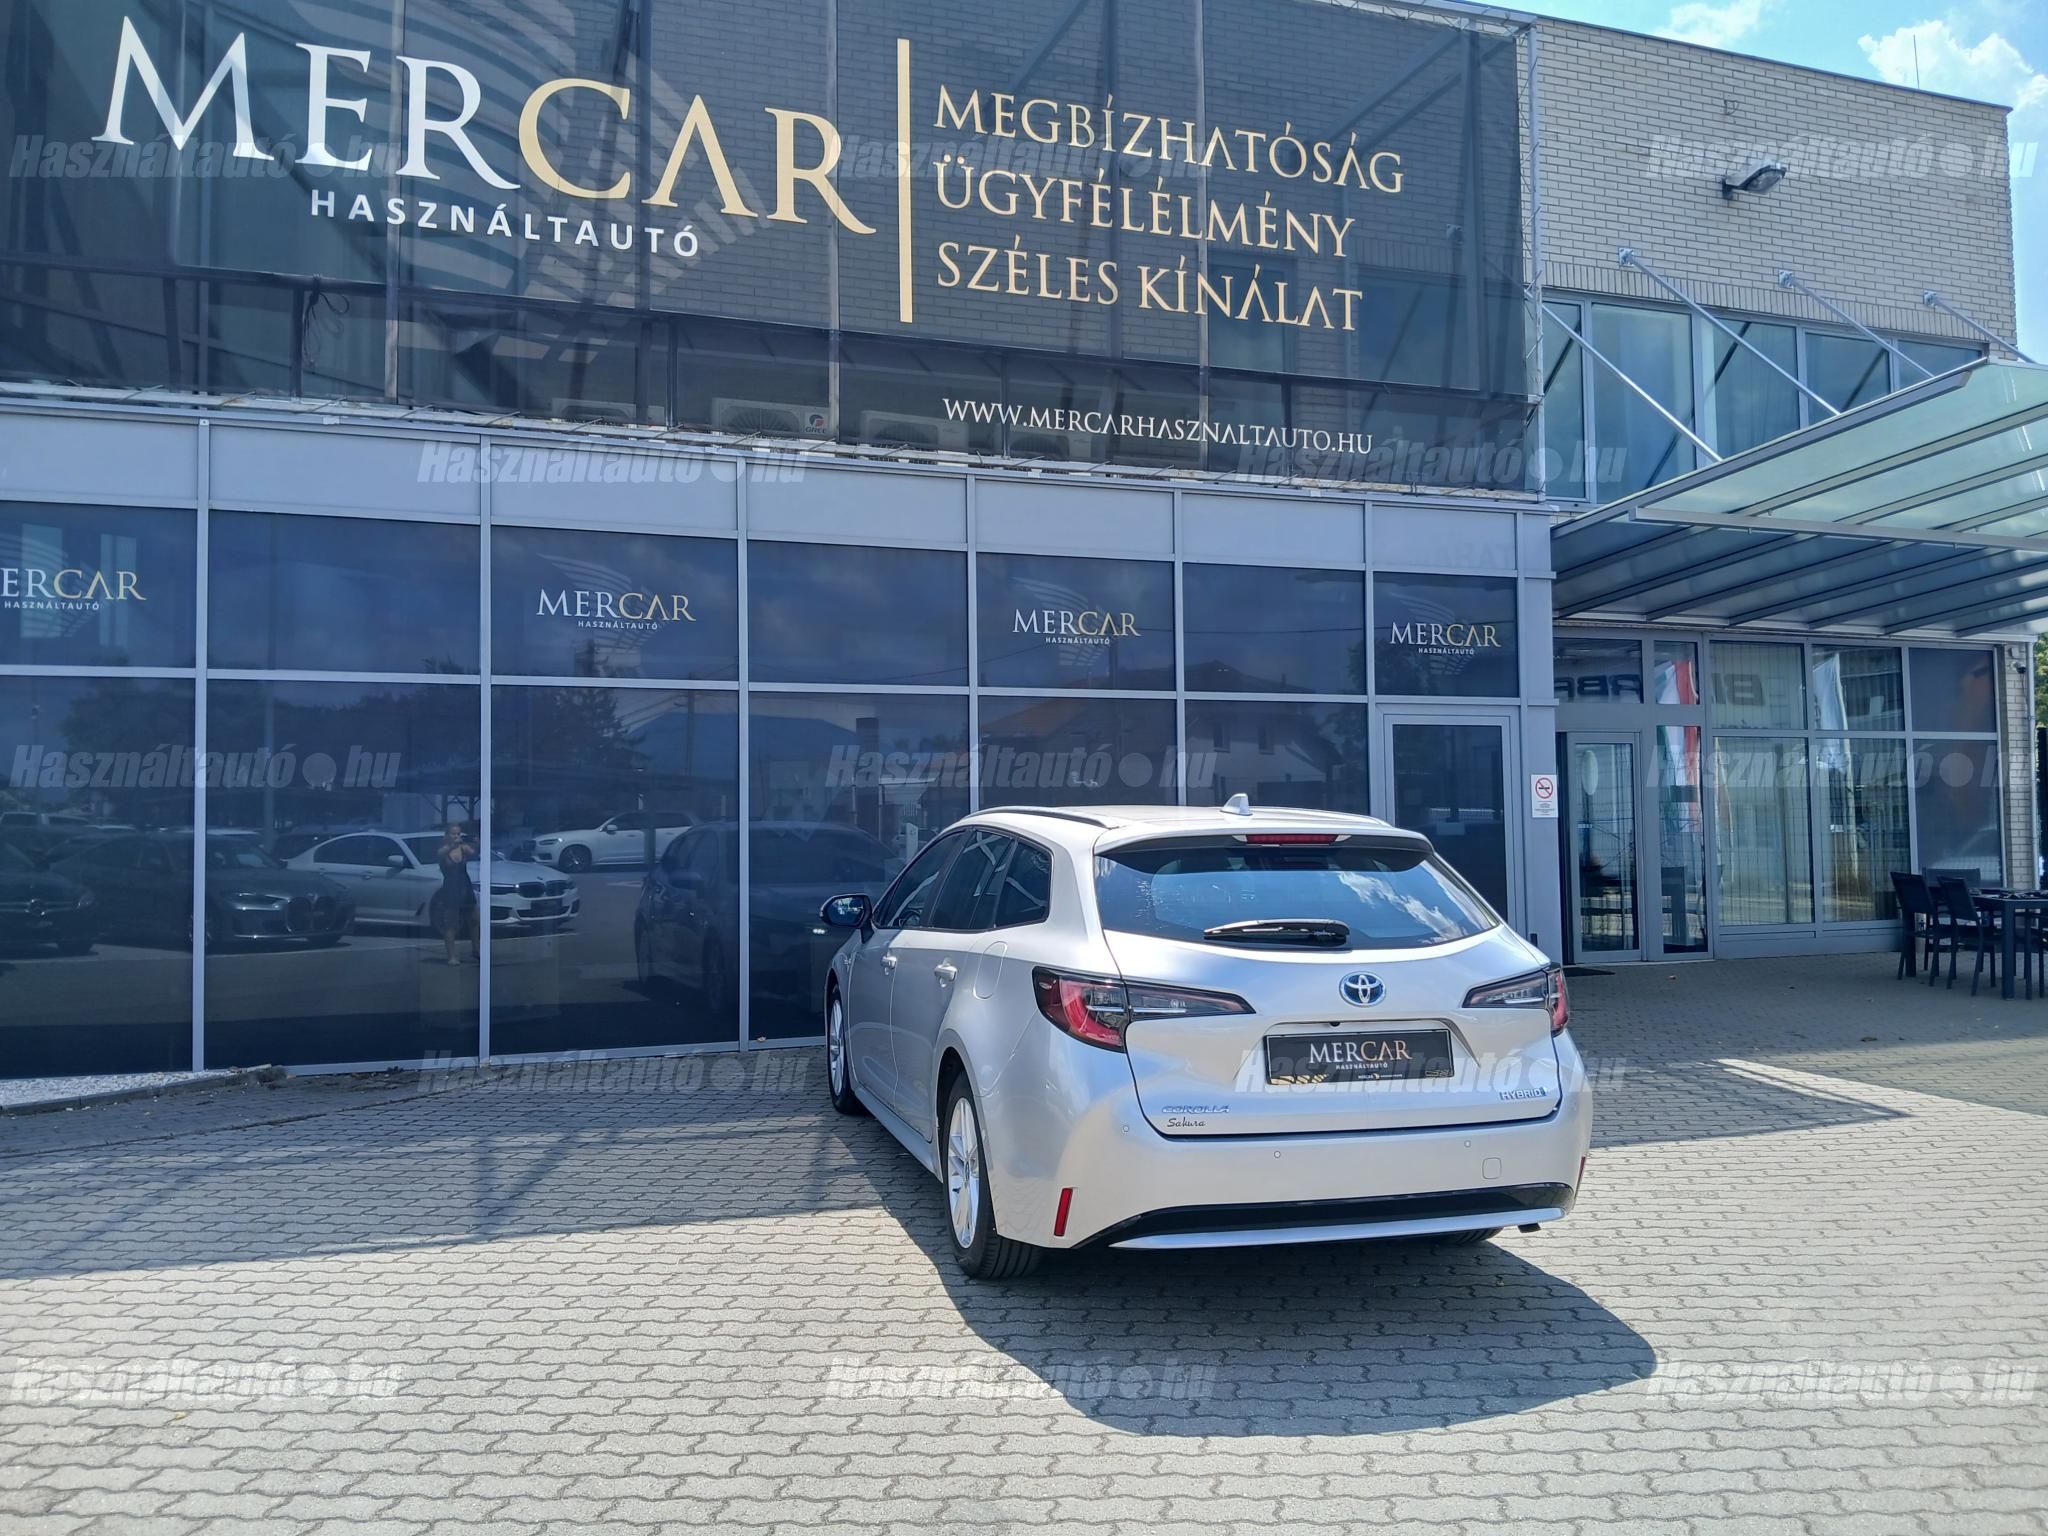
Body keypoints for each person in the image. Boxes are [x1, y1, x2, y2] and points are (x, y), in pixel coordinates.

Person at [432, 822, 479, 965]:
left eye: (458, 833)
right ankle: (452, 956)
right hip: (451, 887)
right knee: (451, 923)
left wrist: (476, 842)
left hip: (465, 885)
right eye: (453, 834)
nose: (456, 836)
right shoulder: (443, 850)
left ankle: (476, 949)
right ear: (447, 835)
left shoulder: (463, 848)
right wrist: (452, 845)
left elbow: (473, 852)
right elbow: (440, 854)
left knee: (474, 920)